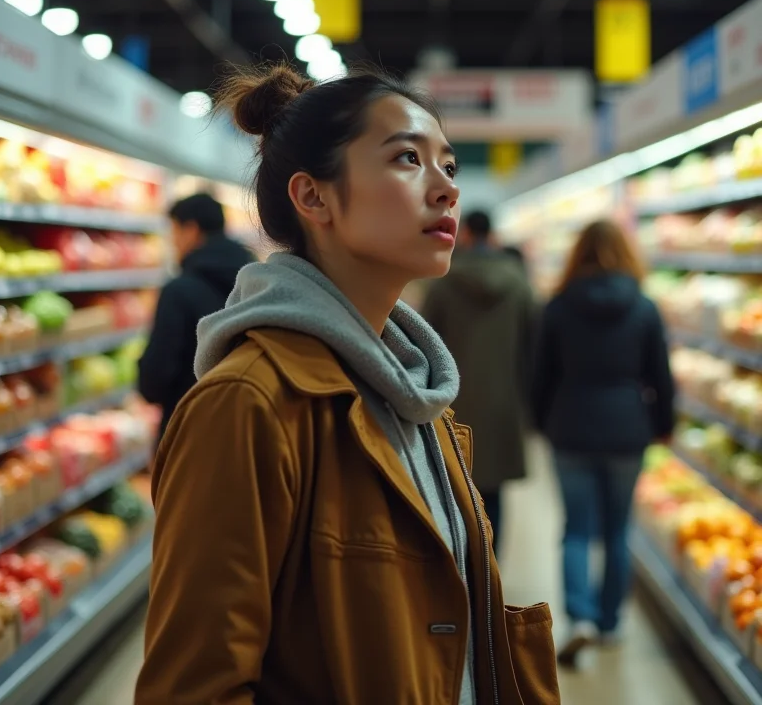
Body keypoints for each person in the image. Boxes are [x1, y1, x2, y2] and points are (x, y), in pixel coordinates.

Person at [135, 64, 560, 705]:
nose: (445, 190)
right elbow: (194, 687)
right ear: (314, 198)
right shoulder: (247, 405)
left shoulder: (416, 392)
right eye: (408, 159)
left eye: (449, 166)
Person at [531, 219, 675, 667]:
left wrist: (542, 422)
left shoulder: (557, 307)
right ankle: (611, 621)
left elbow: (540, 376)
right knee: (617, 528)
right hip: (627, 428)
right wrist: (662, 424)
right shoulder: (644, 307)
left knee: (575, 529)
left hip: (571, 424)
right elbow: (661, 376)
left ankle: (580, 619)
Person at [422, 210, 535, 559]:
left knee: (455, 488)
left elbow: (425, 343)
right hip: (504, 403)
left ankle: (462, 570)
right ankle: (491, 566)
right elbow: (533, 344)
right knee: (495, 495)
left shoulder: (442, 283)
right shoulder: (518, 282)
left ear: (466, 234)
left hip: (453, 405)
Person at [137, 192, 252, 439]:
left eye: (174, 233)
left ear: (191, 230)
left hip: (187, 431)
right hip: (243, 428)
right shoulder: (254, 284)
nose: (174, 243)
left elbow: (154, 381)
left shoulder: (179, 291)